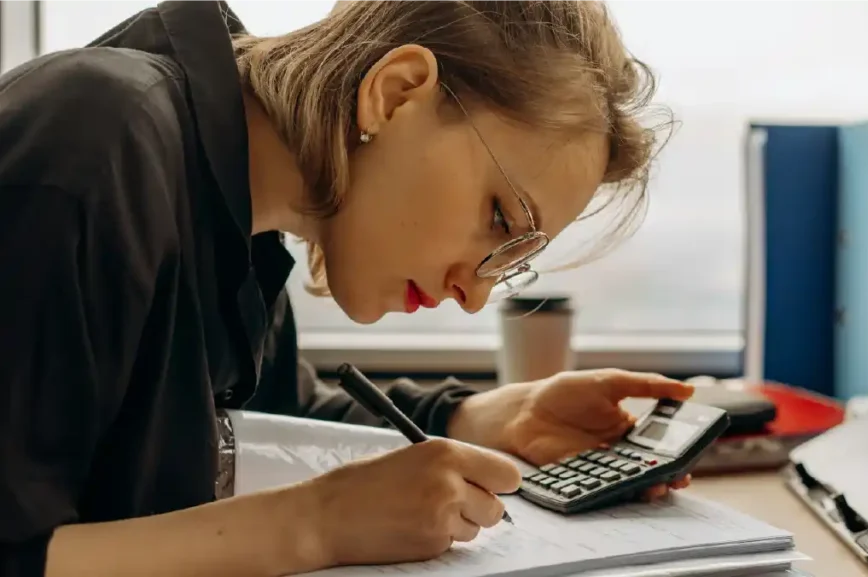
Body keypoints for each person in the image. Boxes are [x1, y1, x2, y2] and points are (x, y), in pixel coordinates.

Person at [0, 0, 695, 575]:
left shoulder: (241, 224)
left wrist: (474, 418)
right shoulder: (95, 142)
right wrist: (316, 525)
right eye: (499, 219)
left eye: (511, 259)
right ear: (396, 94)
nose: (476, 293)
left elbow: (268, 415)